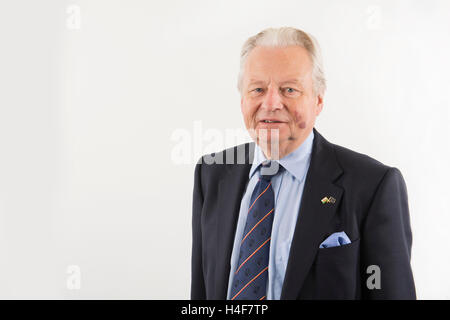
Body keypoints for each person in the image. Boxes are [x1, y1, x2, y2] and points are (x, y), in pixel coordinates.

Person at [191, 27, 416, 300]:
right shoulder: (212, 174)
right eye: (258, 89)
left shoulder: (373, 186)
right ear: (242, 100)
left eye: (289, 89)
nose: (271, 103)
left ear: (318, 100)